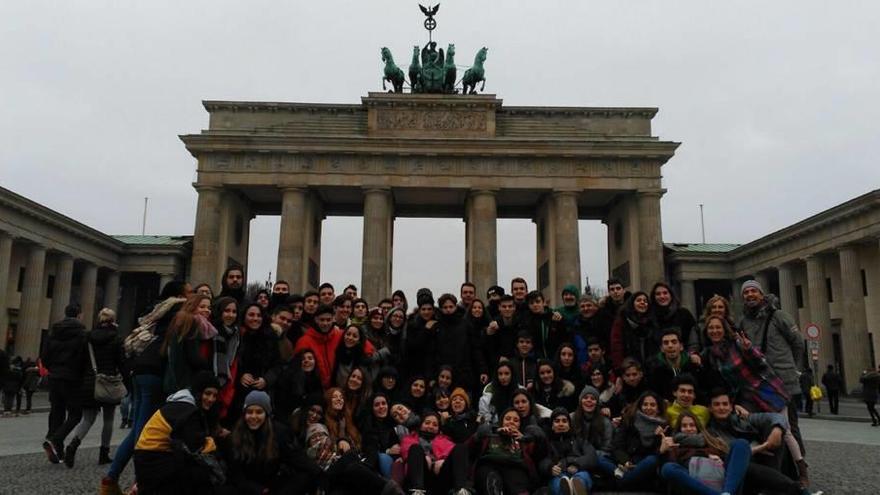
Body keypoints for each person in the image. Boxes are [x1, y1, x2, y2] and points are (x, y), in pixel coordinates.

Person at [103, 281, 189, 494]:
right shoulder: (181, 309)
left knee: (138, 430)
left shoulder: (159, 308)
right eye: (190, 291)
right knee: (144, 433)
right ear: (180, 294)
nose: (194, 294)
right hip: (155, 370)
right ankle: (140, 482)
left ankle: (111, 479)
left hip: (141, 368)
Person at [738, 280, 805, 450]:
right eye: (746, 292)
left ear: (762, 294)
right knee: (768, 425)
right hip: (760, 382)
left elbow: (798, 343)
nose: (750, 295)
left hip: (783, 380)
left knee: (790, 425)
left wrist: (795, 369)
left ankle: (800, 464)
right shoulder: (743, 322)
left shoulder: (779, 316)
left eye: (754, 291)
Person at [133, 371, 221, 494]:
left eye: (215, 395)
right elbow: (195, 445)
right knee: (201, 474)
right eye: (207, 393)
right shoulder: (188, 411)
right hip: (154, 461)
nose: (211, 399)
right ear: (198, 392)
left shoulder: (181, 404)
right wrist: (211, 441)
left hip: (146, 459)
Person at [218, 390, 318, 494]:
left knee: (305, 477)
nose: (253, 416)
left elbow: (297, 459)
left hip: (272, 486)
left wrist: (320, 474)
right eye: (249, 412)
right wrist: (258, 490)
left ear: (266, 414)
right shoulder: (235, 436)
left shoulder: (279, 433)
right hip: (248, 488)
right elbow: (236, 475)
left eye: (259, 412)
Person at [66, 308, 124, 468]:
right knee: (109, 419)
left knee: (87, 419)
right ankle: (103, 453)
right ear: (113, 320)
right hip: (109, 382)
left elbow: (79, 361)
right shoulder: (117, 339)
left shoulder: (88, 338)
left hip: (89, 382)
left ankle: (72, 445)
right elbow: (121, 362)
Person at [658, 411, 752, 495]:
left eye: (692, 425)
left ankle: (727, 492)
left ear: (698, 427)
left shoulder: (711, 441)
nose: (689, 428)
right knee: (668, 468)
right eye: (684, 426)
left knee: (741, 444)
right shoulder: (674, 446)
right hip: (695, 484)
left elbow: (733, 465)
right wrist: (662, 450)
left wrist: (718, 458)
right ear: (679, 429)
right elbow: (665, 472)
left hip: (723, 480)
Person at [41, 303, 87, 464]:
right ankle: (56, 439)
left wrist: (53, 368)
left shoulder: (53, 332)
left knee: (56, 410)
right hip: (73, 378)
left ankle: (56, 450)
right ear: (79, 315)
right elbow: (84, 358)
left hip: (54, 376)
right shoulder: (82, 334)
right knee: (75, 413)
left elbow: (44, 356)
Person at [471, 408, 543, 495]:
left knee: (516, 478)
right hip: (490, 466)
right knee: (487, 475)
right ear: (501, 421)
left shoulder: (525, 440)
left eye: (516, 420)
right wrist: (482, 434)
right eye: (508, 419)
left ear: (520, 425)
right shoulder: (489, 435)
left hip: (515, 468)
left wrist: (526, 438)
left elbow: (541, 452)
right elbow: (470, 447)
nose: (511, 422)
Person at [605, 391, 665, 490]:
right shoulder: (629, 420)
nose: (648, 407)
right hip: (627, 461)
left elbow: (659, 454)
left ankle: (621, 481)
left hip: (645, 464)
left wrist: (658, 437)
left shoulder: (664, 426)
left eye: (653, 405)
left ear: (658, 409)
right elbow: (617, 445)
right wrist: (626, 461)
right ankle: (628, 478)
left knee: (652, 460)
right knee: (601, 459)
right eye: (645, 404)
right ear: (640, 407)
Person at [400, 411, 470, 495]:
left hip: (441, 476)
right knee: (415, 448)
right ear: (421, 425)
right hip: (421, 475)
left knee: (460, 447)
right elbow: (407, 452)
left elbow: (452, 454)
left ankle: (460, 490)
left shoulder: (444, 439)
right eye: (427, 423)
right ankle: (417, 491)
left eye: (435, 425)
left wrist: (442, 459)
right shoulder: (410, 438)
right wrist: (426, 457)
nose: (430, 426)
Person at [162, 295, 217, 394]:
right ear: (192, 306)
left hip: (174, 380)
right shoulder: (191, 322)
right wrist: (209, 366)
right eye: (202, 307)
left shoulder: (180, 321)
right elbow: (193, 356)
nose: (207, 310)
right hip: (184, 382)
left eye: (209, 308)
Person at [540, 408, 594, 495]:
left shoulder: (579, 439)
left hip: (578, 471)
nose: (561, 424)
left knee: (582, 477)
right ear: (552, 425)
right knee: (558, 483)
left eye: (564, 421)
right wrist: (549, 467)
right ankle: (566, 491)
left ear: (569, 424)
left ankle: (577, 488)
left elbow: (591, 456)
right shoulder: (546, 442)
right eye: (557, 421)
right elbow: (542, 459)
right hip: (558, 474)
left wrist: (577, 464)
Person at [293, 305, 344, 389]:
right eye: (322, 320)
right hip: (315, 389)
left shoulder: (340, 335)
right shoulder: (304, 341)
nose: (325, 323)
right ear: (316, 319)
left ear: (333, 319)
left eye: (328, 320)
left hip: (338, 388)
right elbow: (297, 370)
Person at [609, 291, 658, 371]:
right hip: (629, 368)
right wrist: (619, 368)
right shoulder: (622, 321)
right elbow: (616, 346)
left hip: (650, 367)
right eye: (639, 300)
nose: (642, 302)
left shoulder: (652, 321)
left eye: (645, 301)